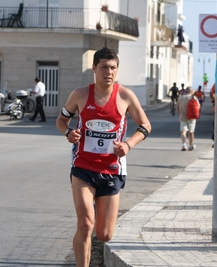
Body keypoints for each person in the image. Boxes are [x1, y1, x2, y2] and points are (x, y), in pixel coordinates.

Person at [56, 46, 151, 267]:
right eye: (104, 67)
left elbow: (145, 125)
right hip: (83, 167)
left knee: (105, 234)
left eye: (113, 68)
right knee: (86, 225)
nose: (109, 72)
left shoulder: (125, 96)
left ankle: (82, 237)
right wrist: (69, 133)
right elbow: (61, 121)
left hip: (111, 170)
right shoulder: (80, 94)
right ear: (94, 68)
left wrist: (128, 144)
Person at [176, 86, 200, 151]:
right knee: (191, 132)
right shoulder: (193, 98)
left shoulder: (180, 98)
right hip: (191, 117)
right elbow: (198, 107)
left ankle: (184, 144)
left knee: (183, 131)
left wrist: (180, 114)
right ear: (191, 91)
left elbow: (177, 107)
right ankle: (191, 145)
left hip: (182, 117)